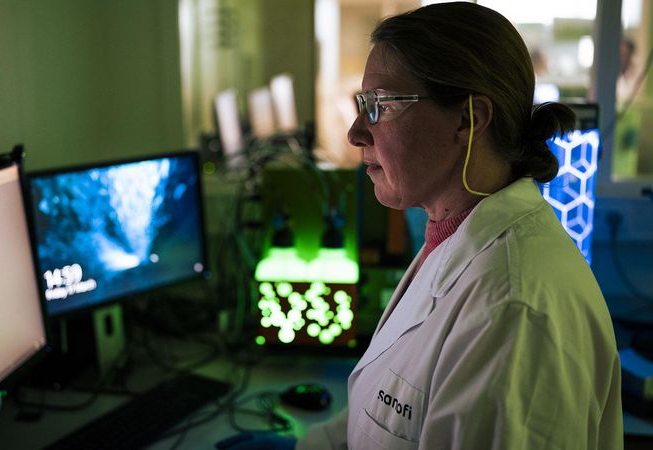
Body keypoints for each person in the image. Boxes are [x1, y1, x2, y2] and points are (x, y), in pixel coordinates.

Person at [217, 2, 622, 449]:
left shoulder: (512, 311)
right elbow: (377, 420)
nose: (356, 132)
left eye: (381, 106)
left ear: (469, 119)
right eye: (362, 104)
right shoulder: (452, 237)